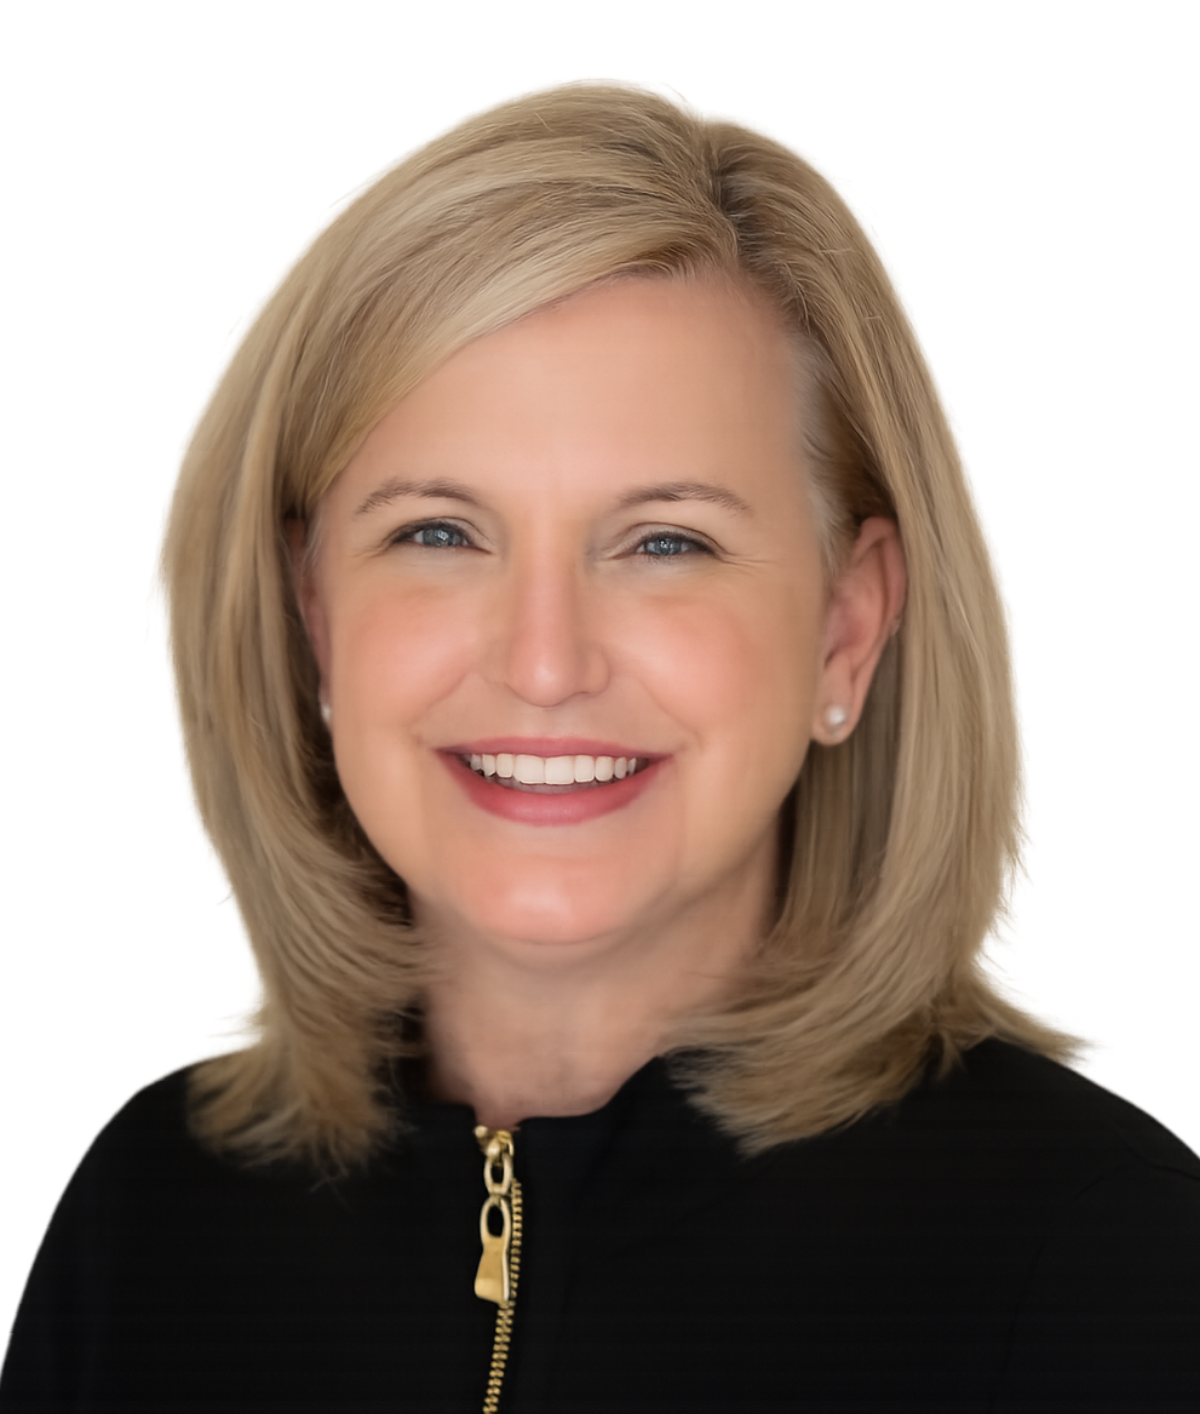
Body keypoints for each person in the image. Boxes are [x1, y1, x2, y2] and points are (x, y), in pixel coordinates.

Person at [2, 83, 1198, 1413]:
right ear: (313, 611)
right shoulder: (153, 1227)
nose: (545, 661)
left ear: (845, 630)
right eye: (439, 533)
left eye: (665, 542)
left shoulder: (1108, 1260)